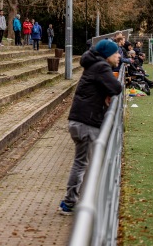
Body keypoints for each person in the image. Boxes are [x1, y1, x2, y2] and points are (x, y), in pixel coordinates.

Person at [59, 39, 123, 215]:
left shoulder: (94, 65)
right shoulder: (101, 67)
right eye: (116, 52)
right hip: (85, 123)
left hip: (80, 120)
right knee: (84, 164)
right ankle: (70, 202)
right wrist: (109, 92)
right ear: (107, 54)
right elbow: (117, 87)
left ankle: (74, 200)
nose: (119, 56)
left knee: (83, 162)